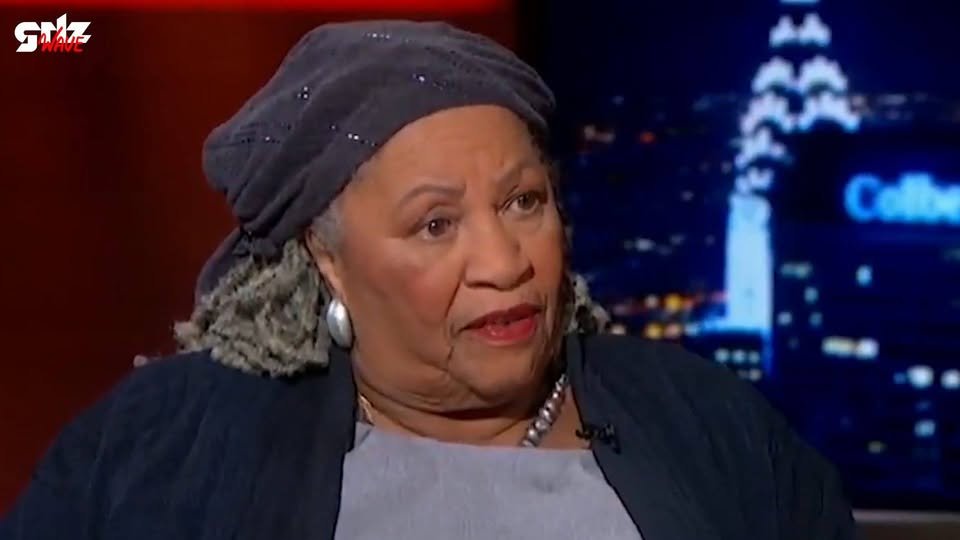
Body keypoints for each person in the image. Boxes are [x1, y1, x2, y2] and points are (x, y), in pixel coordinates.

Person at [0, 20, 856, 540]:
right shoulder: (164, 448)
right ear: (325, 258)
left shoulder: (714, 427)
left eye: (524, 202)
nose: (505, 263)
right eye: (436, 224)